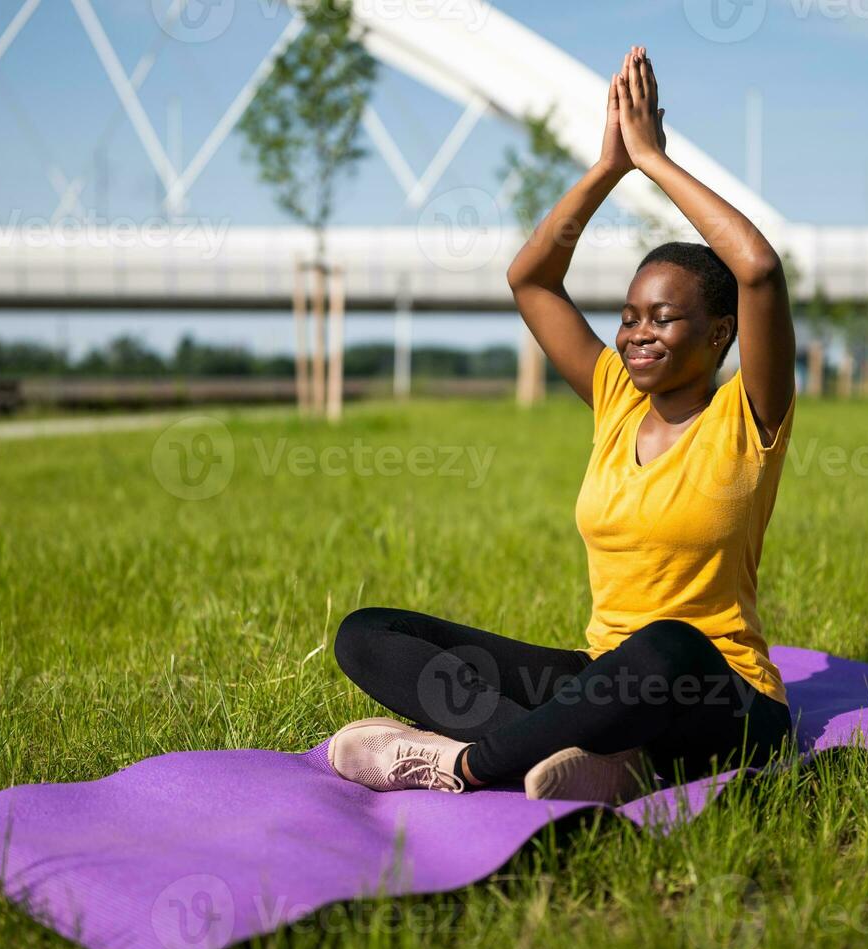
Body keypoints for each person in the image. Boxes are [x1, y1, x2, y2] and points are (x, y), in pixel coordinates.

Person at [327, 45, 798, 804]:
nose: (636, 334)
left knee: (667, 648)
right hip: (598, 680)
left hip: (718, 698)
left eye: (664, 319)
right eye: (629, 317)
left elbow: (760, 270)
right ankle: (594, 757)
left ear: (719, 335)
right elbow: (531, 277)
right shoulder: (615, 397)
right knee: (368, 632)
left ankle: (468, 764)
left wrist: (652, 160)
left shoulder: (750, 413)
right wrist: (607, 169)